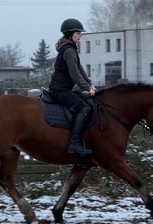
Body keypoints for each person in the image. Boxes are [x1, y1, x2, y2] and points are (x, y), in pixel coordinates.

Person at [49, 18, 97, 157]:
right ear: (70, 34)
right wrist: (87, 87)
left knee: (86, 101)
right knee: (84, 108)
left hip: (64, 89)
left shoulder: (70, 48)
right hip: (59, 91)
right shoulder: (69, 50)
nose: (80, 35)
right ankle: (74, 143)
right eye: (78, 33)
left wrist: (89, 83)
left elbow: (79, 68)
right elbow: (74, 73)